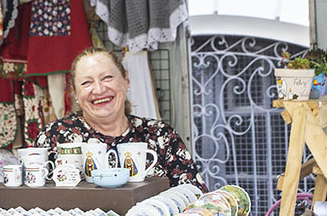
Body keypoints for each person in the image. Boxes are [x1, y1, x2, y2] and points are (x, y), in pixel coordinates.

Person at [35, 47, 205, 190]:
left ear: (126, 81)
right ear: (75, 94)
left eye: (107, 78)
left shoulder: (160, 136)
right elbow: (32, 203)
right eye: (86, 83)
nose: (99, 89)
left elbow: (195, 198)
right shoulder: (55, 138)